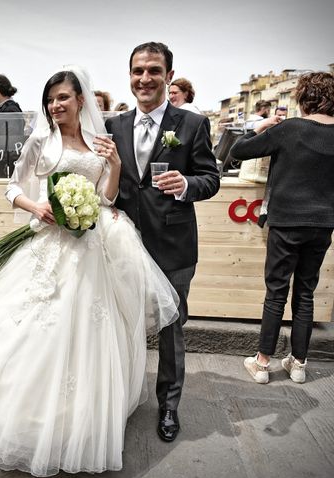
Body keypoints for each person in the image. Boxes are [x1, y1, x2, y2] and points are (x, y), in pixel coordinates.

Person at [0, 65, 179, 476]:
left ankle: (82, 417)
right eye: (51, 99)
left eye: (63, 98)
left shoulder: (99, 142)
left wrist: (117, 168)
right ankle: (28, 415)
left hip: (91, 246)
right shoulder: (40, 141)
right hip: (50, 242)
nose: (55, 105)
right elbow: (12, 187)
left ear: (80, 100)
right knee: (37, 324)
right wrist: (36, 207)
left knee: (91, 329)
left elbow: (106, 199)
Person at [106, 42, 220, 443]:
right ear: (130, 75)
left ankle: (169, 406)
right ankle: (118, 400)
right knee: (120, 325)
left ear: (169, 76)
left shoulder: (191, 124)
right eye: (138, 71)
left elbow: (211, 179)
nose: (145, 79)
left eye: (154, 70)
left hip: (173, 246)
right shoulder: (114, 126)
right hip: (123, 246)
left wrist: (188, 183)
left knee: (171, 329)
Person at [230, 71, 334, 385]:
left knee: (276, 293)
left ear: (303, 98)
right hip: (323, 224)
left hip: (286, 222)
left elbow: (238, 152)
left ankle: (262, 364)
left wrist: (259, 127)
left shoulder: (289, 129)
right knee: (305, 293)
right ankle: (299, 364)